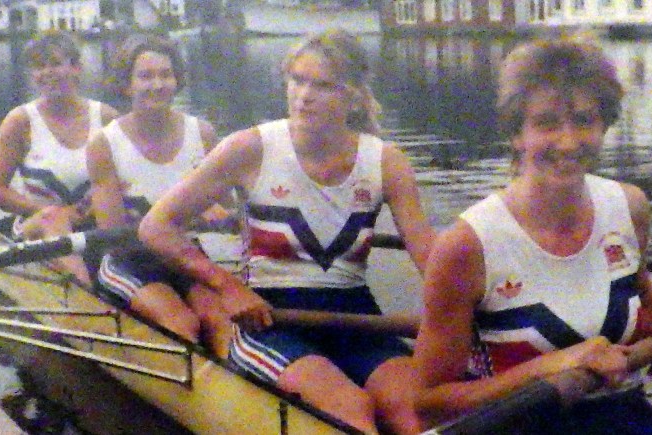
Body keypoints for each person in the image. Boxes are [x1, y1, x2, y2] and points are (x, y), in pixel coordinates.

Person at [138, 28, 435, 434]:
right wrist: (226, 287)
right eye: (297, 80)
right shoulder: (249, 148)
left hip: (358, 317)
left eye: (322, 85)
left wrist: (463, 312)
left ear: (352, 95)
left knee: (417, 415)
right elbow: (155, 226)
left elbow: (431, 261)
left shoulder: (387, 162)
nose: (303, 95)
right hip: (268, 318)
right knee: (352, 412)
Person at [411, 37, 652, 433]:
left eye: (584, 120)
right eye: (547, 123)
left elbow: (646, 298)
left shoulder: (629, 207)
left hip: (624, 416)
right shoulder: (467, 246)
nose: (568, 142)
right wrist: (554, 365)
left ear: (605, 125)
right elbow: (429, 404)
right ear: (517, 134)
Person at [86, 33, 220, 345]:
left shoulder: (202, 133)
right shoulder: (104, 143)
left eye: (165, 75)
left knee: (218, 318)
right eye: (145, 76)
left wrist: (217, 211)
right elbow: (112, 233)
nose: (157, 85)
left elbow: (225, 212)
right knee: (182, 322)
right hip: (130, 260)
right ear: (127, 84)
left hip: (188, 255)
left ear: (177, 81)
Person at [0, 31, 121, 285]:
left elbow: (127, 178)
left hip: (93, 223)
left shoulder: (106, 118)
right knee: (53, 219)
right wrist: (53, 211)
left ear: (76, 68)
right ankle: (85, 292)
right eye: (39, 66)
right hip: (36, 225)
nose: (47, 72)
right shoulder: (20, 121)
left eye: (56, 64)